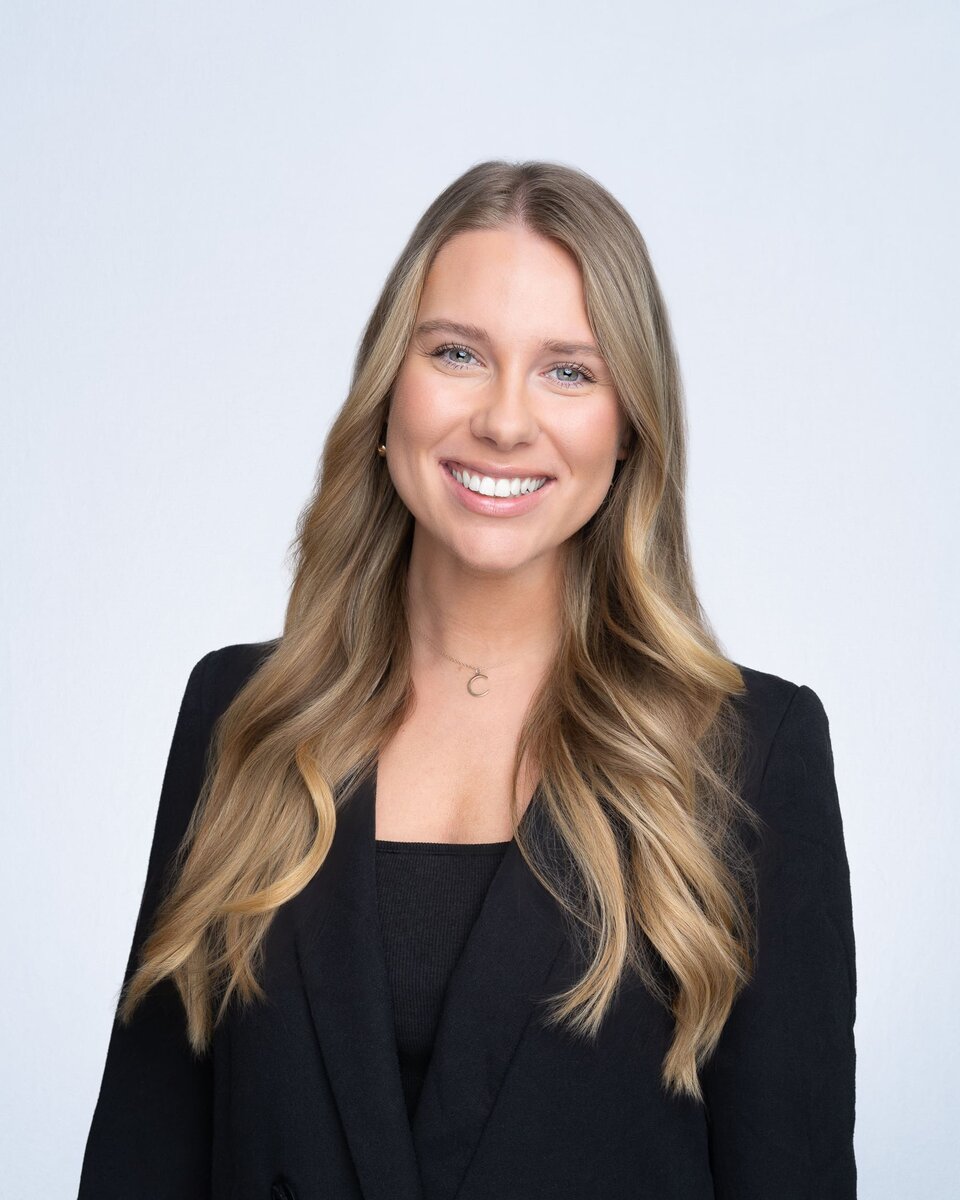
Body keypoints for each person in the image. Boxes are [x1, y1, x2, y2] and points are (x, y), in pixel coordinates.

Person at [77, 159, 857, 1200]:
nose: (503, 419)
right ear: (388, 387)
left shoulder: (752, 752)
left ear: (628, 427)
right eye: (457, 353)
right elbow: (144, 1157)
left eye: (568, 371)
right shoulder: (242, 719)